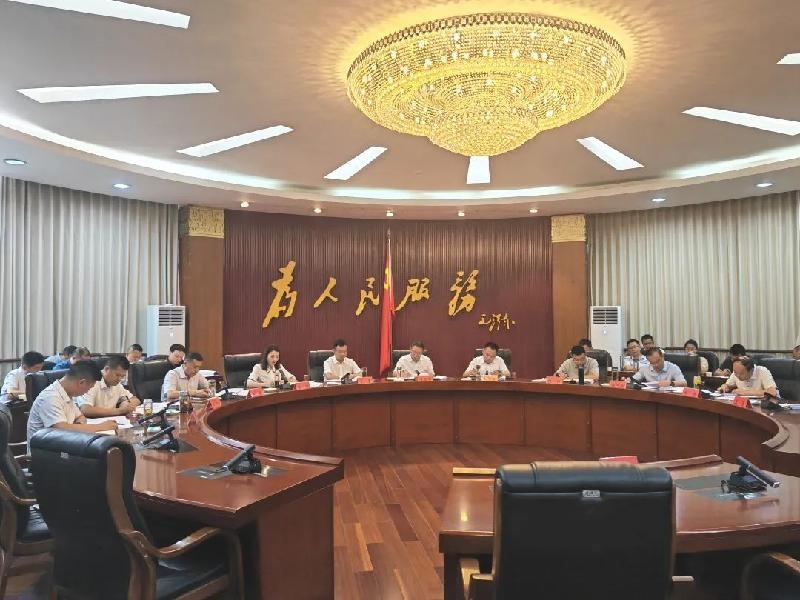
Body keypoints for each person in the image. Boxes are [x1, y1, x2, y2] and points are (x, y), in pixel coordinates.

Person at [26, 361, 117, 445]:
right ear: (81, 382)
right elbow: (62, 429)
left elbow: (80, 417)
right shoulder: (50, 397)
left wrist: (77, 426)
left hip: (65, 445)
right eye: (88, 388)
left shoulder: (67, 394)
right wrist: (101, 426)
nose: (87, 392)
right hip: (45, 452)